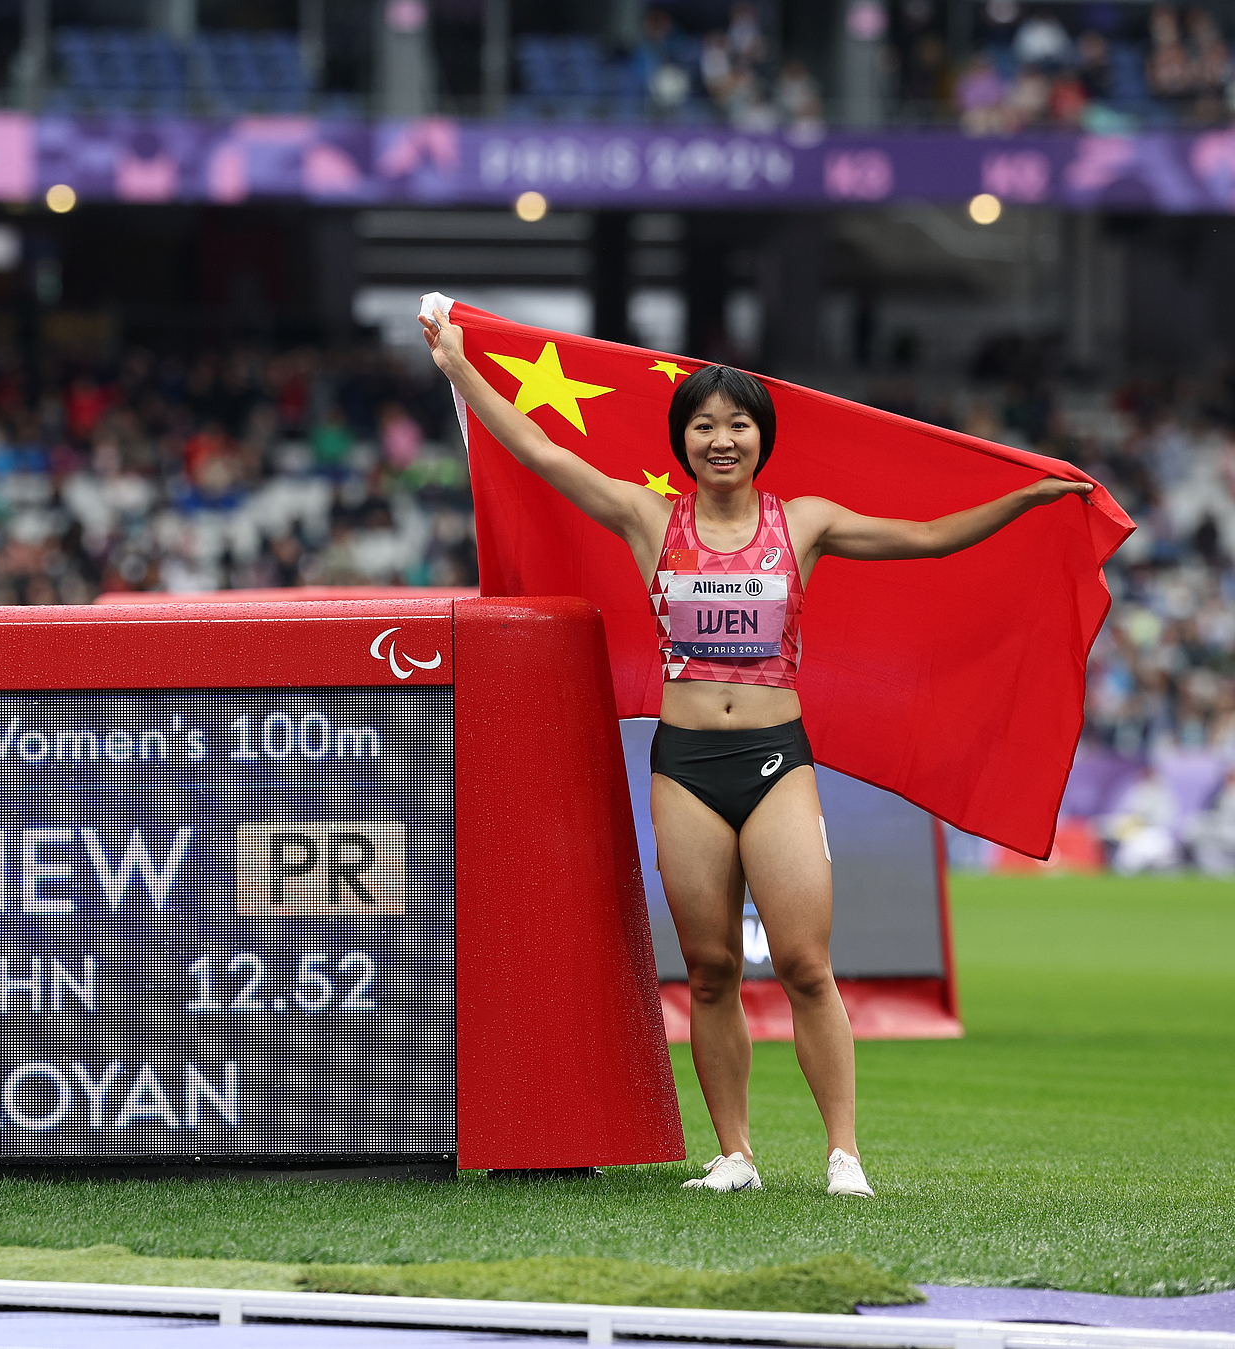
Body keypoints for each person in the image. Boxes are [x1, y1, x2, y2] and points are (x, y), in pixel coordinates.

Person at [420, 311, 1092, 1198]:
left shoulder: (804, 523)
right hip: (685, 767)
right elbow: (542, 451)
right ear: (684, 444)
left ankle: (844, 1154)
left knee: (807, 965)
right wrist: (461, 370)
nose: (721, 437)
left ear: (761, 439)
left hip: (777, 760)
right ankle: (734, 1153)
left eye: (737, 423)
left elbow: (928, 539)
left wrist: (1027, 496)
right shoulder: (645, 518)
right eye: (703, 425)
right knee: (709, 972)